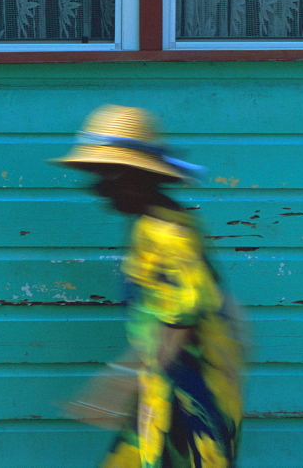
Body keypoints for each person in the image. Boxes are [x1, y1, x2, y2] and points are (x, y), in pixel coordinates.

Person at [50, 104, 243, 467]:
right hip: (165, 387)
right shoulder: (160, 222)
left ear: (138, 176)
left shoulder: (166, 235)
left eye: (108, 175)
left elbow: (179, 320)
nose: (98, 188)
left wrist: (115, 385)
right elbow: (214, 298)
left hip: (189, 399)